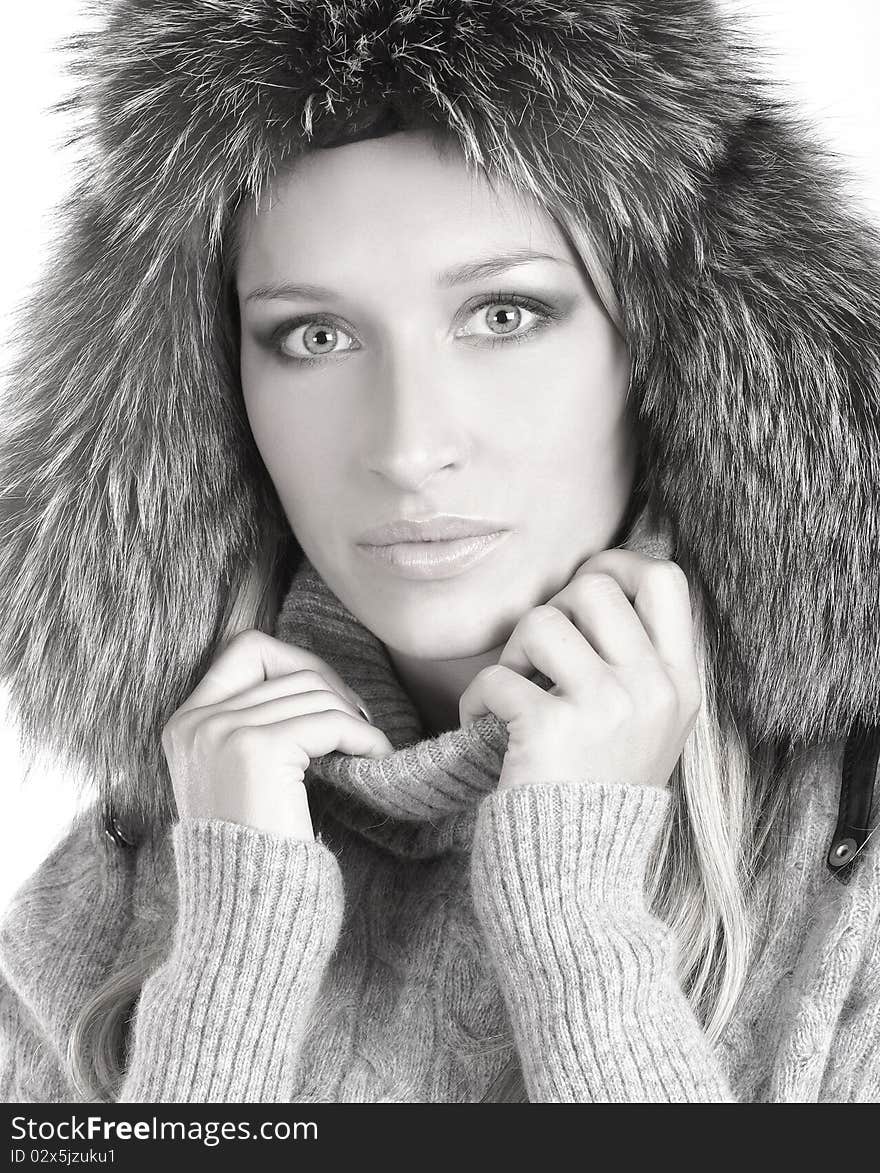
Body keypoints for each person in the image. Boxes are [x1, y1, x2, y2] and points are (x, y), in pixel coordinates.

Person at [0, 0, 878, 1105]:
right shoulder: (134, 865)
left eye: (503, 315)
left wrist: (577, 923)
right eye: (313, 336)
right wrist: (228, 967)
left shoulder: (850, 843)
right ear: (218, 395)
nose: (409, 448)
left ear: (663, 351)